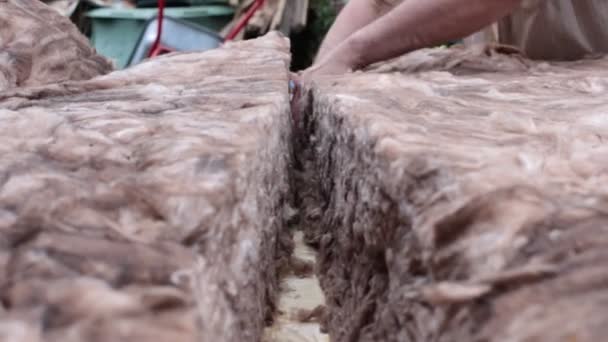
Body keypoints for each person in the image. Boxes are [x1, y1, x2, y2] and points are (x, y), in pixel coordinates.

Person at [302, 0, 608, 77]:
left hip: (590, 105)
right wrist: (319, 72)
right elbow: (377, 2)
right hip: (517, 107)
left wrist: (353, 53)